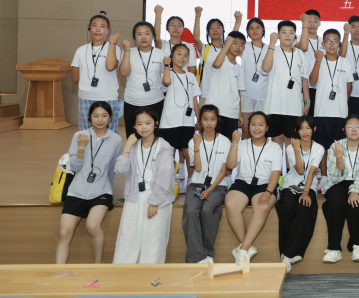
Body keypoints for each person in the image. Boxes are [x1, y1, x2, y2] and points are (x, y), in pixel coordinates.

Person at [56, 101, 123, 264]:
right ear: (89, 117)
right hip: (76, 191)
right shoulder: (79, 136)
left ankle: (98, 265)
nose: (100, 119)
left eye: (104, 116)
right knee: (64, 232)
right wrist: (81, 148)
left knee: (92, 226)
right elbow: (74, 167)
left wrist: (109, 190)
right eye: (96, 115)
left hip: (101, 192)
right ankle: (58, 271)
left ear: (110, 117)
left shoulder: (116, 140)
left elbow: (112, 168)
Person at [113, 108, 176, 264]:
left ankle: (150, 276)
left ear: (156, 123)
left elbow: (165, 178)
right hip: (134, 197)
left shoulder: (164, 147)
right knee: (128, 240)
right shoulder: (134, 146)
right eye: (139, 124)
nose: (144, 127)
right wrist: (127, 146)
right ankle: (123, 274)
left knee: (152, 241)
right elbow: (120, 170)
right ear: (134, 126)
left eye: (147, 123)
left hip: (157, 199)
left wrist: (154, 202)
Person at [225, 112, 282, 264]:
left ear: (267, 128)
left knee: (262, 206)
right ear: (248, 127)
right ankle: (246, 248)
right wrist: (234, 143)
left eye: (261, 125)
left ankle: (242, 250)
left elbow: (276, 173)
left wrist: (269, 191)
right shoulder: (241, 144)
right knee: (230, 205)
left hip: (265, 184)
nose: (257, 128)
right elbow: (230, 165)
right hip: (243, 182)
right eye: (253, 124)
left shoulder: (275, 147)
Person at [322, 115, 359, 263]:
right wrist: (339, 157)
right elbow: (335, 176)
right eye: (350, 126)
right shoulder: (335, 146)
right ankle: (334, 248)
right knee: (335, 203)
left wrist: (354, 190)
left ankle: (357, 246)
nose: (354, 129)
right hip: (339, 182)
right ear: (344, 130)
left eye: (357, 126)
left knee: (357, 203)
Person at [184, 105, 231, 263]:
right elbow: (197, 168)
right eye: (205, 119)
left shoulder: (224, 141)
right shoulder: (193, 141)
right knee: (191, 211)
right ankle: (197, 256)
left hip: (218, 186)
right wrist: (197, 146)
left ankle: (207, 253)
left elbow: (224, 171)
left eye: (212, 119)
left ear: (218, 120)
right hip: (196, 185)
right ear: (200, 121)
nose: (209, 123)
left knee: (207, 210)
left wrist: (210, 190)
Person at [278, 116, 324, 272]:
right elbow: (299, 170)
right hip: (290, 184)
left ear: (314, 129)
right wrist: (297, 149)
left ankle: (286, 254)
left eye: (308, 128)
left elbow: (310, 172)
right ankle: (293, 253)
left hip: (309, 186)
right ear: (296, 130)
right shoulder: (291, 148)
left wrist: (305, 192)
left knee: (305, 207)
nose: (305, 132)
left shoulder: (319, 148)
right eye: (302, 128)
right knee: (287, 208)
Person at [307, 28, 352, 188]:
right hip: (321, 111)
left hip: (340, 112)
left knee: (339, 146)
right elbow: (312, 82)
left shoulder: (345, 62)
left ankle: (338, 176)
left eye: (335, 41)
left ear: (340, 43)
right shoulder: (317, 60)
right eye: (328, 41)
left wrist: (342, 103)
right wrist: (318, 61)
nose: (331, 44)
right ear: (323, 43)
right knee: (322, 146)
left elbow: (349, 86)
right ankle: (324, 176)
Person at [71, 13, 123, 133]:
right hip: (85, 97)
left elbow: (110, 66)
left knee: (109, 134)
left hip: (108, 97)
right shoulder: (81, 50)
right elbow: (74, 77)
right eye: (94, 25)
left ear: (108, 30)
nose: (98, 29)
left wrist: (112, 44)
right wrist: (87, 87)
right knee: (86, 134)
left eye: (102, 26)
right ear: (89, 28)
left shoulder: (114, 48)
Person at [262, 21, 310, 148]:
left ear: (295, 35)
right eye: (283, 32)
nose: (287, 35)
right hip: (274, 105)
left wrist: (307, 101)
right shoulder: (271, 50)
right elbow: (265, 68)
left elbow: (304, 79)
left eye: (291, 32)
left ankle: (291, 164)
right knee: (276, 142)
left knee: (292, 143)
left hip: (294, 106)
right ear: (278, 35)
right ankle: (277, 163)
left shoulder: (300, 54)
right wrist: (272, 44)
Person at [160, 44, 201, 168]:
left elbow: (194, 99)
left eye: (186, 55)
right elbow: (166, 82)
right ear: (171, 55)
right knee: (169, 152)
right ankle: (170, 177)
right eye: (179, 54)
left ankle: (189, 178)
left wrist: (199, 119)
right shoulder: (167, 73)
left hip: (187, 121)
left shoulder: (191, 76)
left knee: (188, 152)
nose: (182, 57)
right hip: (169, 121)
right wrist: (166, 66)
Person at [193, 8, 243, 104]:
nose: (215, 30)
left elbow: (232, 37)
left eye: (218, 27)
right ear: (207, 32)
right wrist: (197, 15)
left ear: (223, 31)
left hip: (225, 96)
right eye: (211, 28)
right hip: (206, 95)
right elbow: (196, 38)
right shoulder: (205, 48)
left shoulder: (228, 49)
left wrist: (238, 21)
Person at [205, 32, 247, 140]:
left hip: (232, 113)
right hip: (216, 111)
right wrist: (226, 46)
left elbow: (238, 92)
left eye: (241, 44)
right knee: (214, 143)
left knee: (229, 144)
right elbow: (217, 64)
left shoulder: (239, 68)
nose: (238, 47)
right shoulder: (217, 56)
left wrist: (239, 114)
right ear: (227, 43)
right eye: (235, 43)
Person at [240, 18, 270, 137]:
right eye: (251, 28)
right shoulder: (244, 46)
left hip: (263, 94)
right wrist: (238, 21)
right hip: (245, 93)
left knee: (261, 131)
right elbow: (231, 41)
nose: (255, 30)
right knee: (246, 129)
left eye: (258, 27)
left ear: (263, 29)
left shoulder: (270, 48)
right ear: (247, 31)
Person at [153, 5, 197, 74]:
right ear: (167, 27)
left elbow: (193, 70)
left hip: (182, 80)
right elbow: (157, 38)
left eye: (179, 25)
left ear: (183, 28)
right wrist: (158, 15)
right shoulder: (163, 44)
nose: (176, 28)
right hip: (165, 80)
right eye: (172, 25)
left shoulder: (189, 47)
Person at [296, 10, 323, 111]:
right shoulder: (296, 38)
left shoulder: (325, 41)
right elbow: (303, 48)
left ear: (319, 23)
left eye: (315, 21)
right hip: (301, 84)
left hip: (320, 85)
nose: (312, 24)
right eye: (309, 21)